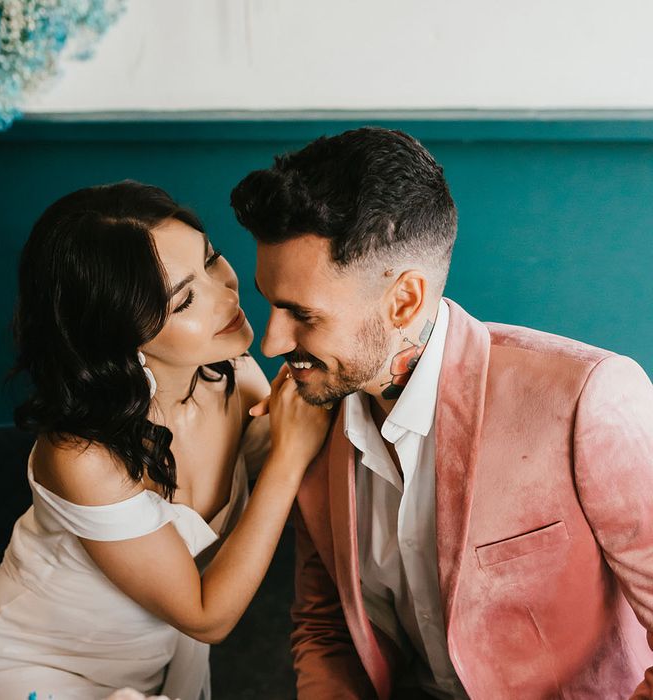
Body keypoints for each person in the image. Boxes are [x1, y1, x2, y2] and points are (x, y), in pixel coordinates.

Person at [231, 127, 653, 699]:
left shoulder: (586, 397)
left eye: (302, 315)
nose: (273, 343)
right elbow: (325, 627)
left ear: (404, 299)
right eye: (269, 303)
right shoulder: (310, 411)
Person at [0, 181, 332, 700]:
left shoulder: (228, 371)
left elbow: (305, 429)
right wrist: (287, 458)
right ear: (118, 333)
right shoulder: (81, 456)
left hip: (140, 676)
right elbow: (207, 618)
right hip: (23, 665)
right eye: (185, 298)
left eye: (212, 261)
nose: (225, 295)